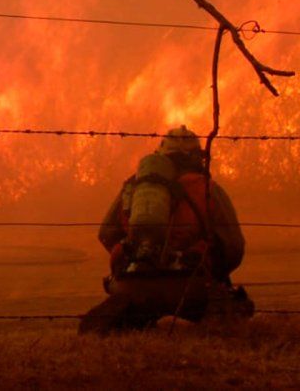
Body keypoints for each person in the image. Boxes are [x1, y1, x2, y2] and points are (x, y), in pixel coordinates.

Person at [79, 126, 253, 334]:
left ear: (161, 155)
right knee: (239, 307)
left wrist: (136, 256)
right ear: (198, 157)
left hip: (133, 288)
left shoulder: (134, 186)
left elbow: (106, 234)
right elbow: (233, 247)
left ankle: (135, 317)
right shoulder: (207, 189)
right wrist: (212, 272)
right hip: (191, 289)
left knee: (128, 315)